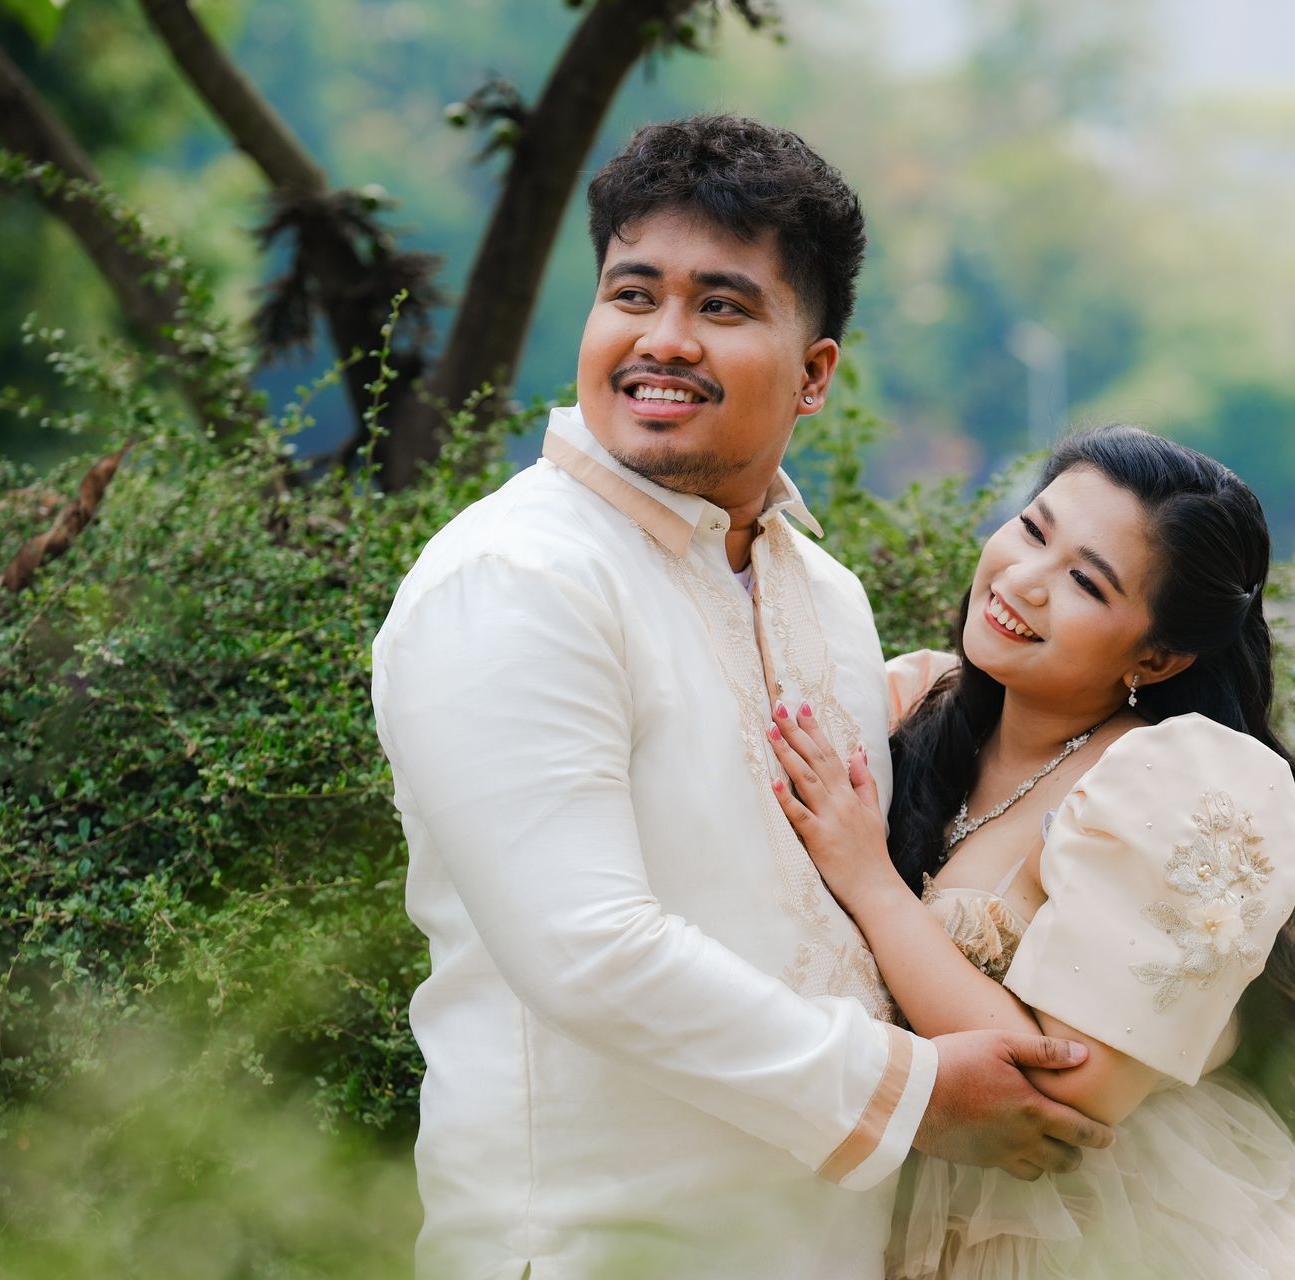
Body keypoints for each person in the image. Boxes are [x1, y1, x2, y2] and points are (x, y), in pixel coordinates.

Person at [369, 115, 1114, 1280]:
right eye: (632, 294)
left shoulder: (827, 597)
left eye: (721, 305)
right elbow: (588, 949)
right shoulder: (515, 578)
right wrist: (914, 1091)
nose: (662, 340)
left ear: (815, 373)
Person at [765, 426, 1295, 1278]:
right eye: (1032, 530)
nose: (1025, 580)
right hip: (883, 1209)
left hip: (1091, 1236)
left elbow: (1067, 1090)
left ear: (1157, 656)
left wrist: (870, 882)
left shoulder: (1171, 785)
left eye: (1086, 582)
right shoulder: (911, 702)